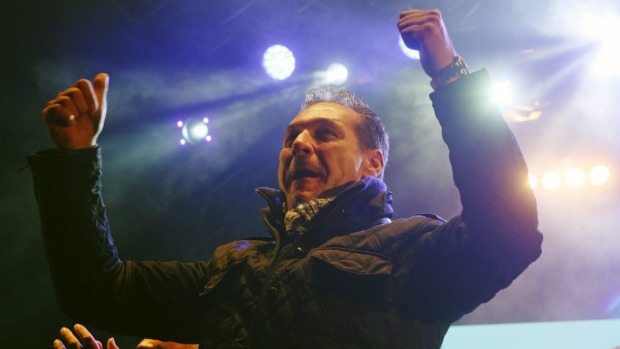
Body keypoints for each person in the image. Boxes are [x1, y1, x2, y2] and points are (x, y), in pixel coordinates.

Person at [31, 9, 542, 349]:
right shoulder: (232, 268)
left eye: (325, 134)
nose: (300, 144)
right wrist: (75, 161)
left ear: (373, 163)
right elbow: (95, 290)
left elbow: (508, 233)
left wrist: (451, 76)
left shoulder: (409, 249)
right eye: (293, 135)